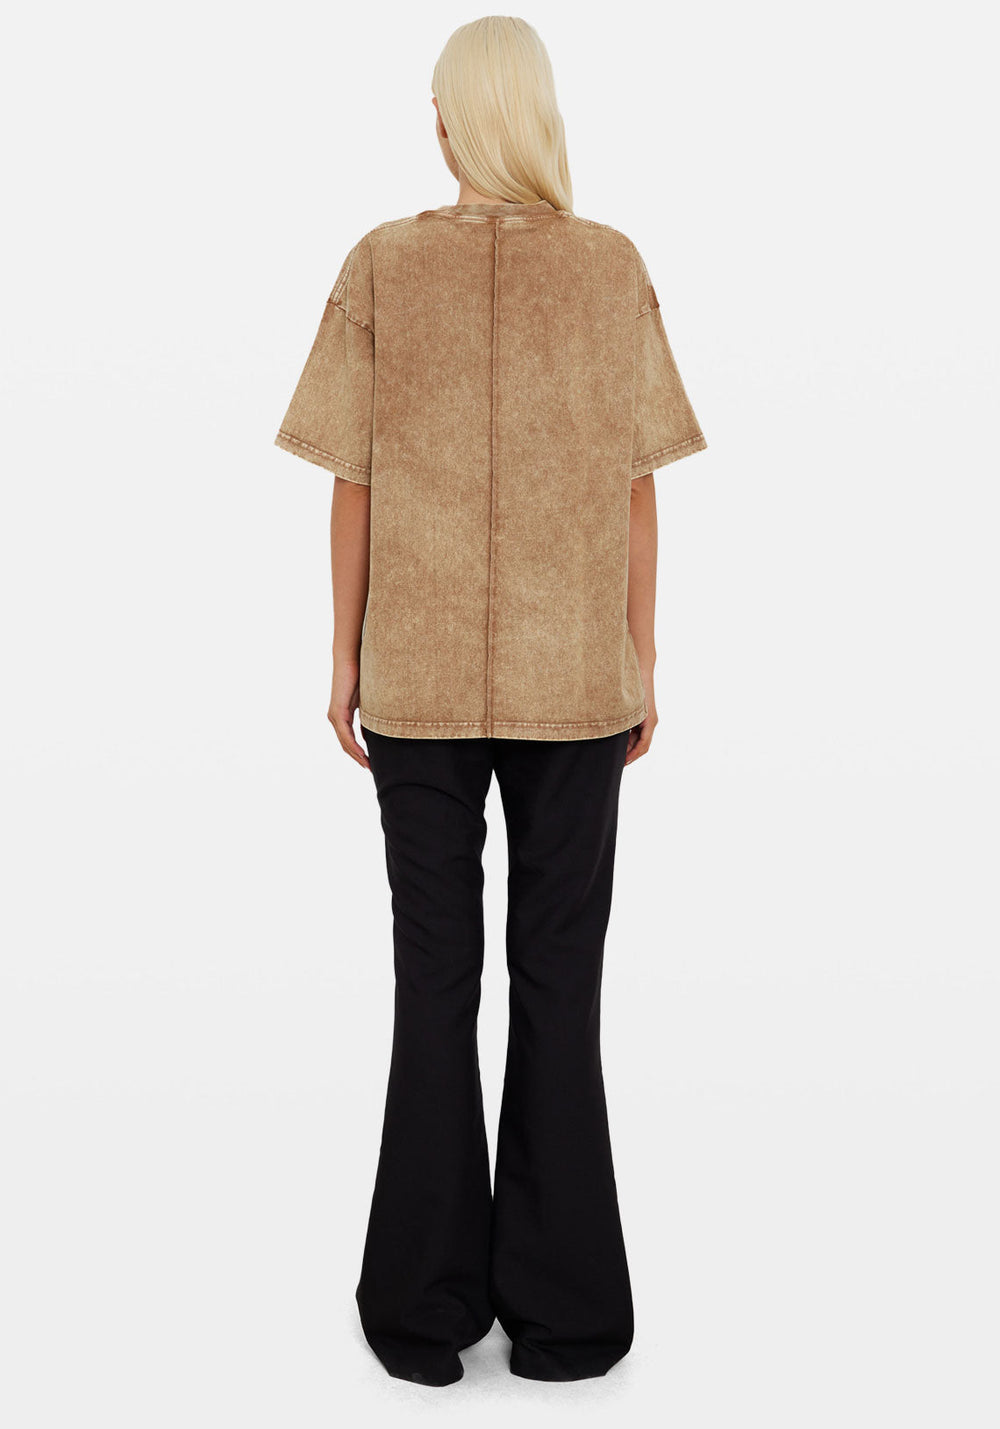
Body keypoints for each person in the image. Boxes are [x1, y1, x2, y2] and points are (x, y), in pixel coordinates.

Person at [273, 15, 707, 1387]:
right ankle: (568, 1318)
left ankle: (421, 1312)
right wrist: (642, 656)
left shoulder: (382, 263)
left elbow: (351, 478)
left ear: (452, 121)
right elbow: (639, 486)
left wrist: (342, 655)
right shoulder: (610, 265)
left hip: (417, 677)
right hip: (576, 677)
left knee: (434, 986)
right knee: (558, 989)